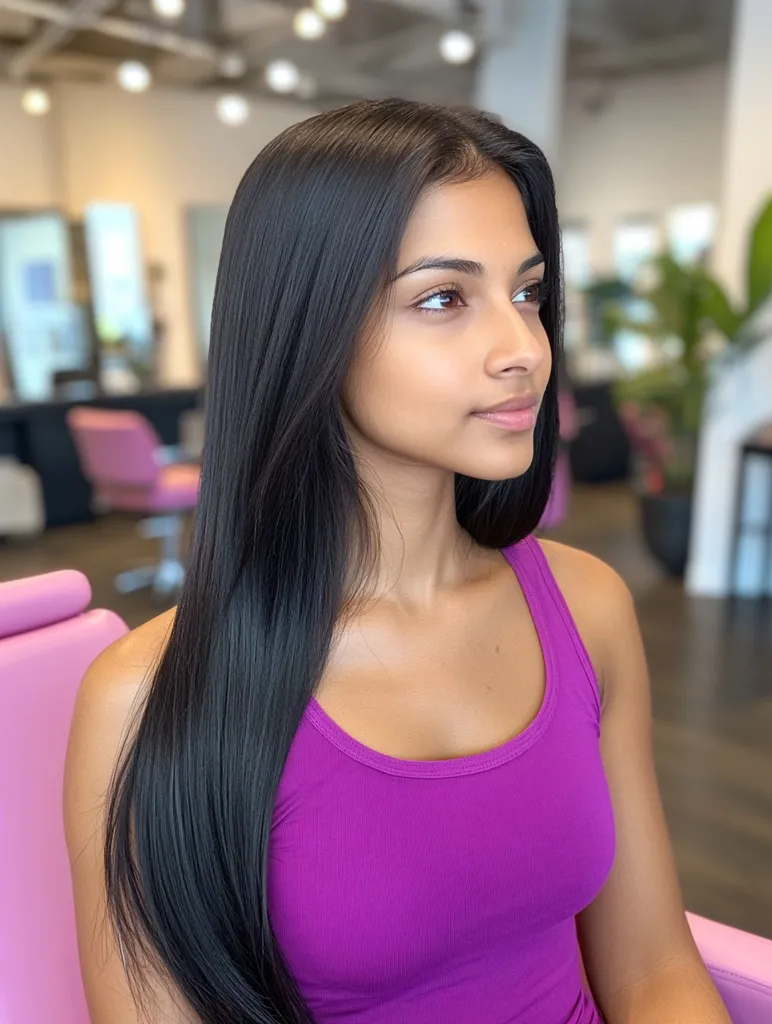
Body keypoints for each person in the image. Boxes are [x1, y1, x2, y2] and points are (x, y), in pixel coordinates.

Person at [63, 100, 730, 1024]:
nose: (524, 349)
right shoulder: (150, 700)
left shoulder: (589, 607)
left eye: (528, 292)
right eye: (444, 298)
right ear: (312, 331)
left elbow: (655, 974)